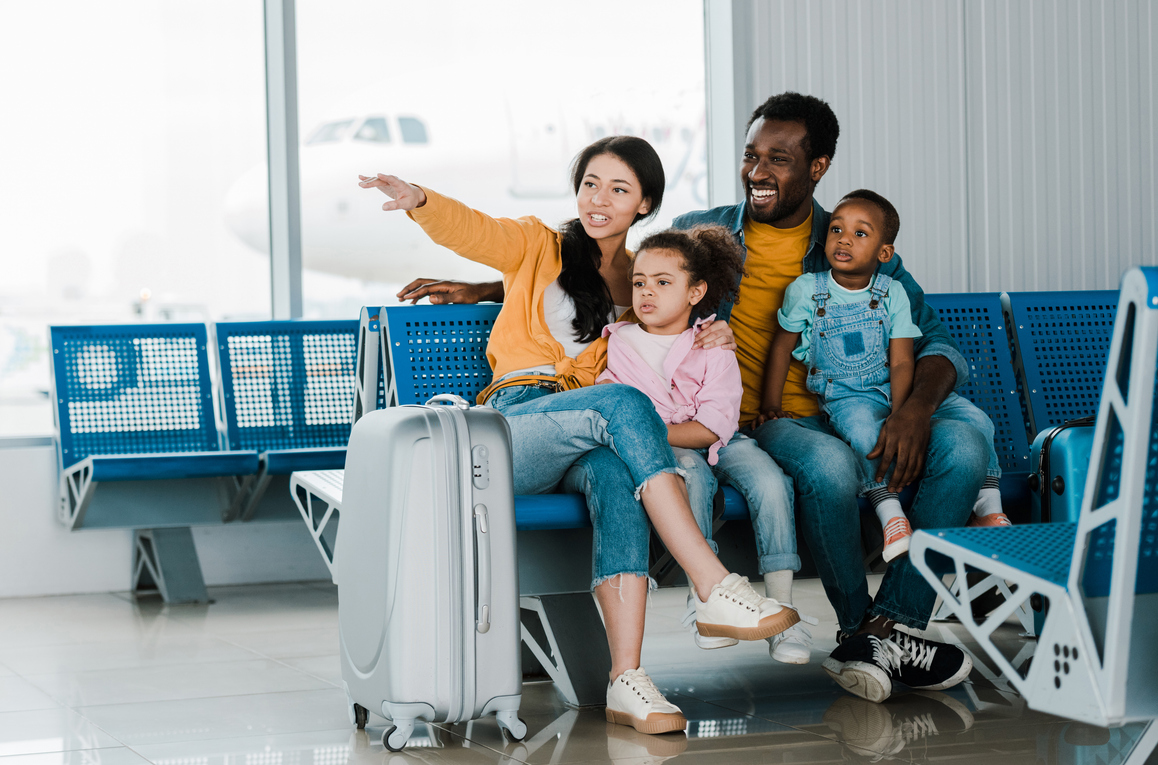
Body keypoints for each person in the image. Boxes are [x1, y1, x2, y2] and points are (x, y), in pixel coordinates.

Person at [408, 94, 993, 705]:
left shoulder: (848, 235)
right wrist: (494, 283)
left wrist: (914, 410)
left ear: (817, 167)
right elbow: (613, 280)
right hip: (747, 419)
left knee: (963, 441)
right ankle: (741, 593)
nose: (759, 172)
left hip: (838, 402)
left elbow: (935, 339)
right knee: (824, 465)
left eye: (780, 159)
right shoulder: (705, 232)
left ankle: (885, 627)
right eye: (751, 156)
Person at [358, 135, 798, 736]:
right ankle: (712, 581)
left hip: (589, 435)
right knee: (621, 402)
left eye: (619, 189)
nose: (600, 199)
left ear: (645, 204)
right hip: (516, 424)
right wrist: (420, 200)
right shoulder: (539, 244)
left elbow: (668, 328)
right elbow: (480, 232)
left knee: (618, 476)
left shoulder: (640, 280)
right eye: (591, 183)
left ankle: (626, 681)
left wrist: (708, 334)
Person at [597, 226, 818, 665]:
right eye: (639, 282)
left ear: (696, 291)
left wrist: (645, 430)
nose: (647, 293)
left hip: (720, 439)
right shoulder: (618, 342)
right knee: (691, 477)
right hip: (674, 448)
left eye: (663, 283)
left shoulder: (712, 341)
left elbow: (713, 425)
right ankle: (706, 598)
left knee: (772, 482)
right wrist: (645, 432)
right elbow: (616, 404)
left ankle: (781, 606)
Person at [759, 191, 1009, 568]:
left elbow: (903, 359)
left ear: (884, 254)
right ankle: (891, 517)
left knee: (978, 421)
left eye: (861, 234)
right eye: (837, 229)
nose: (844, 239)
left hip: (897, 389)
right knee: (863, 433)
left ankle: (989, 510)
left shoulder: (891, 292)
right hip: (847, 394)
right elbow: (781, 347)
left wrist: (904, 410)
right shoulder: (807, 290)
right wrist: (770, 405)